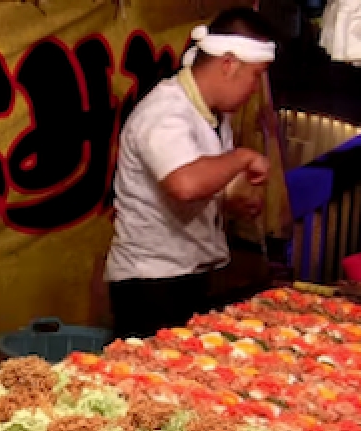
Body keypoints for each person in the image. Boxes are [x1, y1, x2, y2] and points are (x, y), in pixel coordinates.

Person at [106, 8, 276, 340]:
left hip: (191, 273)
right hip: (152, 283)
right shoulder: (165, 111)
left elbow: (199, 184)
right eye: (256, 75)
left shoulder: (213, 114)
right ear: (229, 64)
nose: (255, 88)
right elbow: (184, 184)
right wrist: (242, 157)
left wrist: (230, 203)